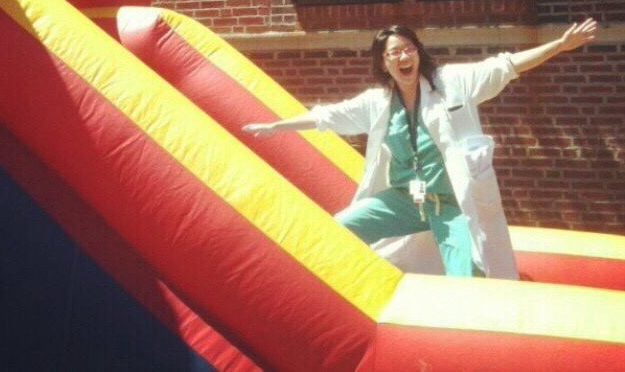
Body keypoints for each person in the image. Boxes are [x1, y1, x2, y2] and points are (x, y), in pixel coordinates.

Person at [243, 19, 598, 279]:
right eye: (393, 53)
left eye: (408, 49)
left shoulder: (451, 83)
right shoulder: (378, 102)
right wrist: (278, 127)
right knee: (340, 228)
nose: (402, 57)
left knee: (466, 276)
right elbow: (329, 116)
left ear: (418, 53)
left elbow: (503, 67)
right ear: (384, 63)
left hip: (449, 205)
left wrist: (558, 46)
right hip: (403, 200)